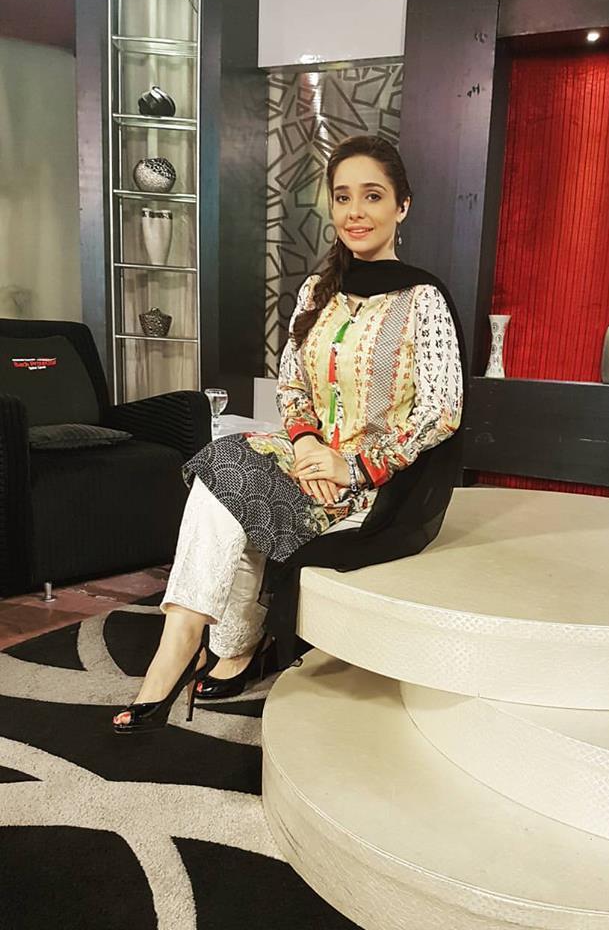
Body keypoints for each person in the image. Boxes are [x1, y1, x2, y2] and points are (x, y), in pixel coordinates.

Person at [112, 135, 465, 733]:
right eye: (342, 197)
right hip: (310, 462)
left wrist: (352, 467)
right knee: (224, 461)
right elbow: (292, 385)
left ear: (402, 206)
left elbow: (442, 410)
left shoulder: (421, 299)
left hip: (378, 484)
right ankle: (184, 640)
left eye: (372, 196)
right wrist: (305, 446)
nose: (355, 212)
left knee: (229, 485)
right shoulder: (316, 291)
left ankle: (230, 648)